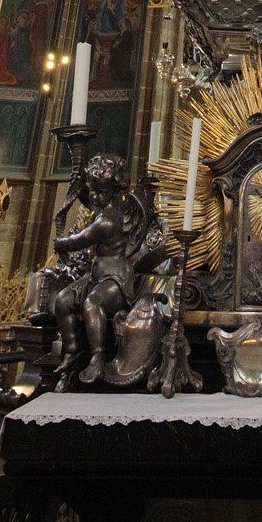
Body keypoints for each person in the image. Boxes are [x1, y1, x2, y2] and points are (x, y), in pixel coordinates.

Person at [52, 154, 162, 389]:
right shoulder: (100, 204)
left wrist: (63, 243)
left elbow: (82, 239)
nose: (94, 197)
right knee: (62, 301)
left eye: (100, 192)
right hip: (94, 277)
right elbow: (85, 196)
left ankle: (98, 357)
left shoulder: (109, 219)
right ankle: (73, 350)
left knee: (92, 304)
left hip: (116, 280)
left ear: (113, 190)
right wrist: (78, 174)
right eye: (93, 191)